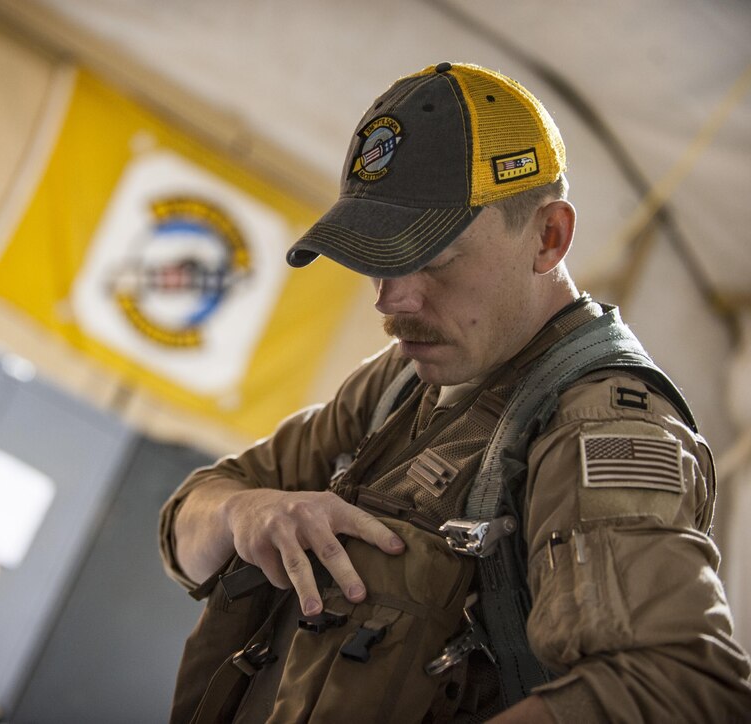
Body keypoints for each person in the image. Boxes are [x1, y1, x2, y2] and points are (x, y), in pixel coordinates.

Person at [159, 62, 751, 722]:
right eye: (377, 258)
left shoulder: (595, 427)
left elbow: (674, 686)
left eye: (432, 257)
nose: (390, 302)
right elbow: (188, 525)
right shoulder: (399, 381)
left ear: (548, 237)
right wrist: (244, 514)